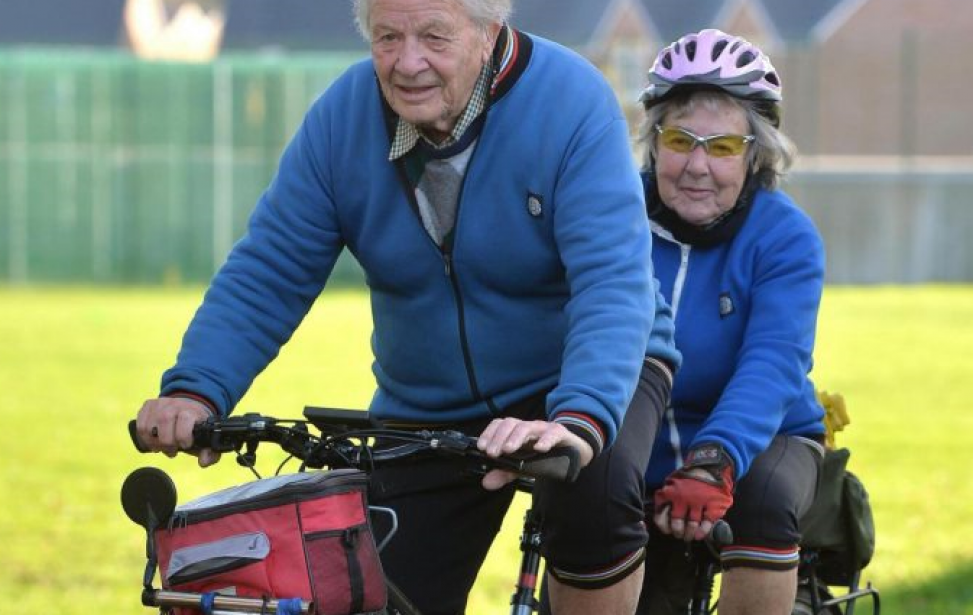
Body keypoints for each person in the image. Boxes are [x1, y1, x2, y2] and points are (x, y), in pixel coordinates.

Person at [133, 1, 681, 614]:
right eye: (387, 37)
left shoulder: (572, 101)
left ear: (488, 33)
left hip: (585, 376)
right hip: (431, 400)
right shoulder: (342, 119)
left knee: (594, 495)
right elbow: (271, 267)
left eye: (434, 36)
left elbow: (611, 280)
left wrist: (579, 419)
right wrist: (197, 389)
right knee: (376, 590)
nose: (408, 61)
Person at [632, 29, 828, 615]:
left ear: (754, 153)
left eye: (720, 147)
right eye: (679, 140)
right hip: (636, 441)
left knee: (764, 504)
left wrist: (714, 459)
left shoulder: (785, 235)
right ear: (653, 143)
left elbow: (773, 362)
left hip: (766, 436)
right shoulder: (613, 216)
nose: (696, 166)